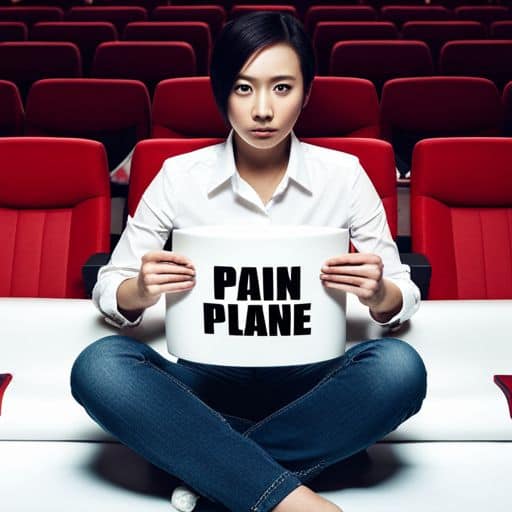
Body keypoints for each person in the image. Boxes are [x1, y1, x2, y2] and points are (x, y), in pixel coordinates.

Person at [70, 12, 427, 512]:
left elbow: (401, 296)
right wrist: (141, 288)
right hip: (206, 385)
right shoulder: (178, 176)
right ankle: (291, 492)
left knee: (399, 369)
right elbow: (111, 289)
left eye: (282, 88)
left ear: (306, 92)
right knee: (100, 366)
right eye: (244, 89)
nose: (263, 110)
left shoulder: (345, 175)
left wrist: (380, 293)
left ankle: (211, 471)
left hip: (312, 384)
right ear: (222, 93)